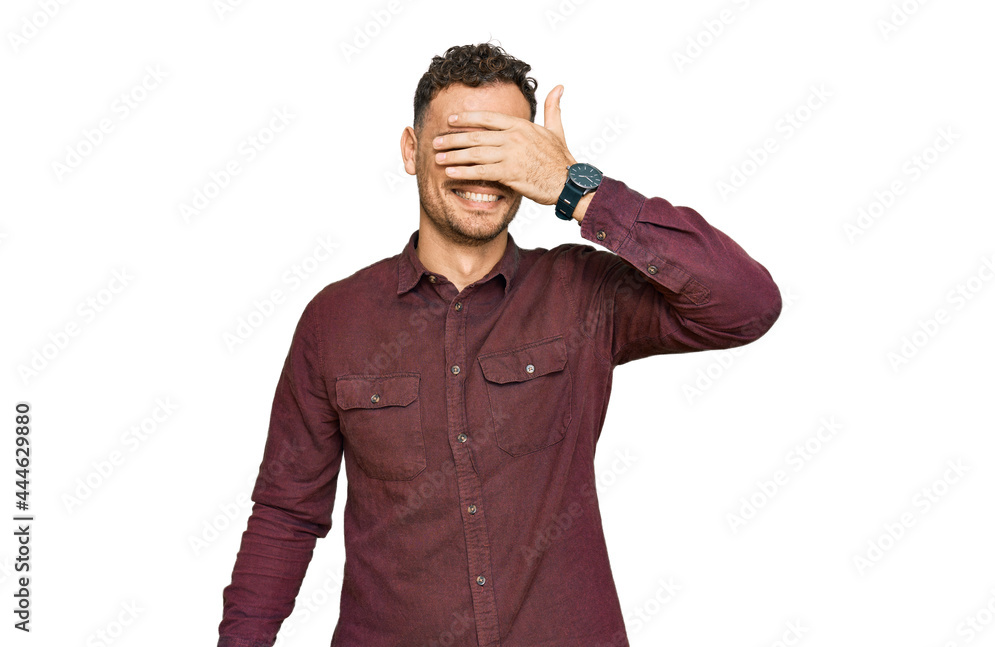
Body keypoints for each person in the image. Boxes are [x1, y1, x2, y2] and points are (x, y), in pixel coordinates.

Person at [218, 42, 782, 647]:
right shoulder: (336, 320)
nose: (482, 171)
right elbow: (285, 514)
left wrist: (578, 188)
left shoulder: (582, 293)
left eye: (504, 149)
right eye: (460, 145)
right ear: (410, 152)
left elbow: (746, 304)